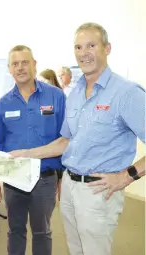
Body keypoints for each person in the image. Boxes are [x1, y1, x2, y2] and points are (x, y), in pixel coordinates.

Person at [10, 22, 145, 255]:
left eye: (91, 45)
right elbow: (65, 141)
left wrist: (126, 176)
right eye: (78, 47)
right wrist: (26, 154)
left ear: (107, 48)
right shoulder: (75, 93)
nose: (84, 53)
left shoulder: (127, 93)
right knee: (76, 250)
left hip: (98, 191)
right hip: (70, 188)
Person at [0, 45, 66, 255]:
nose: (20, 68)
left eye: (25, 62)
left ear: (34, 64)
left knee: (42, 231)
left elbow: (66, 139)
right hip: (14, 179)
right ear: (9, 69)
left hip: (45, 178)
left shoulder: (56, 97)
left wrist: (63, 177)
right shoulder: (3, 104)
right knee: (15, 230)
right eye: (15, 64)